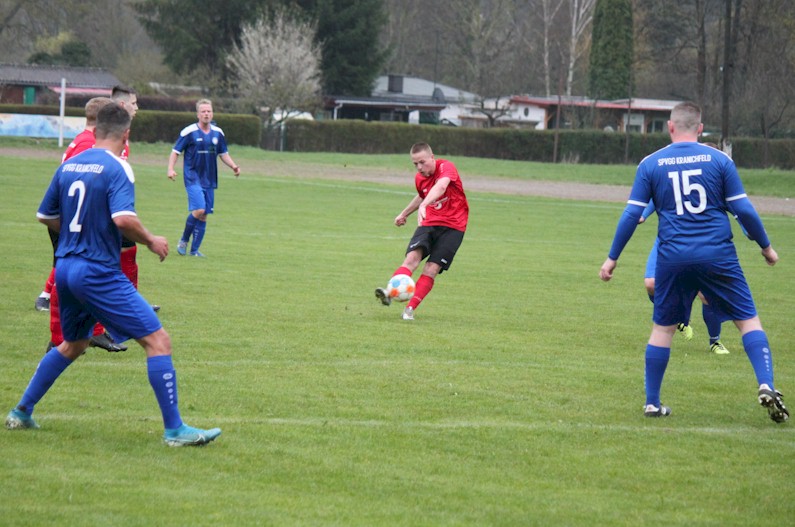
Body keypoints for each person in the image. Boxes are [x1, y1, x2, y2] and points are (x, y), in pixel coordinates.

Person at [5, 103, 222, 446]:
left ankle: (20, 412)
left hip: (65, 268)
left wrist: (74, 238)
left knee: (72, 344)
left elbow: (45, 216)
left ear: (96, 128)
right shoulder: (118, 167)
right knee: (158, 341)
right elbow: (123, 219)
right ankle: (175, 431)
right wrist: (151, 240)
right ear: (126, 134)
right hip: (97, 271)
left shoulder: (70, 164)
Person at [599, 101, 787, 423]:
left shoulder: (651, 163)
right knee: (748, 321)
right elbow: (744, 211)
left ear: (670, 127)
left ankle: (652, 403)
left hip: (672, 257)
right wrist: (766, 247)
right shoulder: (719, 161)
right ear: (700, 129)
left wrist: (612, 258)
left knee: (663, 329)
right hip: (718, 254)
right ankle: (766, 383)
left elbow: (632, 214)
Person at [35, 97, 115, 312]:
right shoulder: (89, 143)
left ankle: (47, 298)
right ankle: (50, 303)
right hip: (71, 214)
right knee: (71, 263)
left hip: (67, 212)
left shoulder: (83, 138)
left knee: (67, 262)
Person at [374, 142, 469, 320]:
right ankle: (389, 293)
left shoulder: (447, 167)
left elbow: (440, 187)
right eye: (415, 164)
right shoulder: (420, 178)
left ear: (432, 158)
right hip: (429, 221)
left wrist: (425, 204)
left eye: (422, 162)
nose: (419, 167)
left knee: (431, 269)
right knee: (411, 259)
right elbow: (422, 195)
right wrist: (404, 213)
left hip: (454, 226)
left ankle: (409, 310)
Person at [639, 202, 729, 355]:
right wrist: (643, 214)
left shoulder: (705, 183)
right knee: (651, 283)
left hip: (699, 242)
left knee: (705, 294)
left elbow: (731, 202)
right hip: (667, 239)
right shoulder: (669, 179)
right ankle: (677, 314)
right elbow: (657, 196)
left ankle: (715, 341)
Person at [167, 99, 240, 257]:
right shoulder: (189, 132)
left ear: (212, 113)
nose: (206, 114)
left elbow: (223, 154)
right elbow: (175, 152)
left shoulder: (218, 133)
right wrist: (171, 169)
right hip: (192, 176)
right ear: (198, 114)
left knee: (205, 213)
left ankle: (194, 251)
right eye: (203, 111)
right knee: (199, 209)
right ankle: (183, 240)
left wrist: (233, 166)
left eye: (209, 111)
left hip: (209, 178)